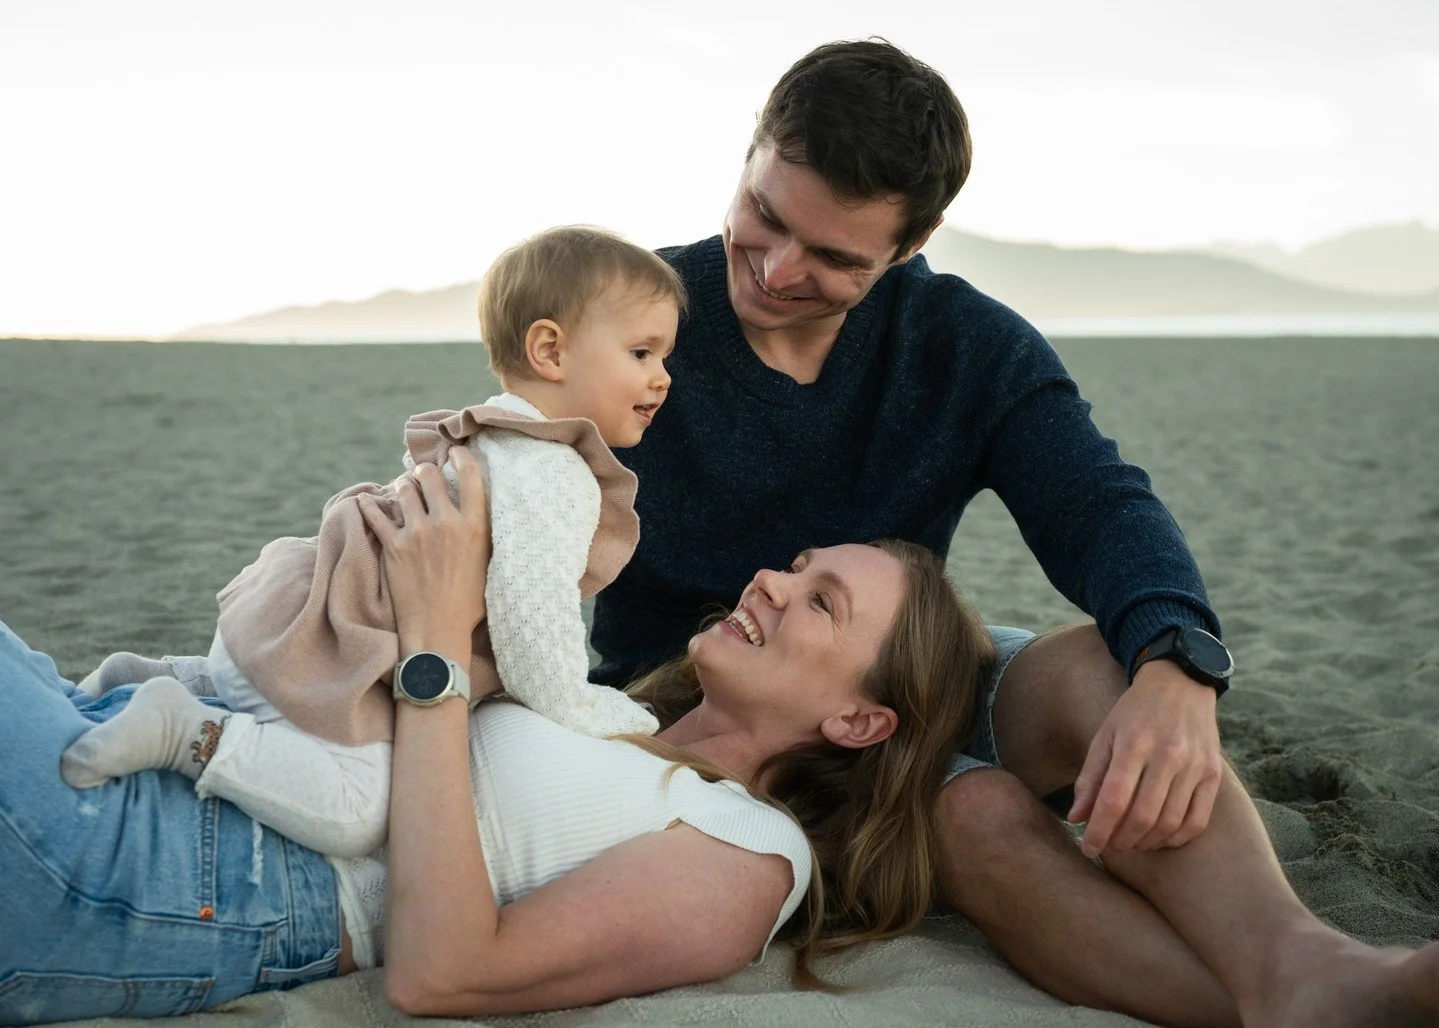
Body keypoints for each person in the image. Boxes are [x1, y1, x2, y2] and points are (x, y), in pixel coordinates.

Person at [586, 38, 1439, 1027]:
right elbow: (503, 524)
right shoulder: (630, 320)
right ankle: (1286, 1005)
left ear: (910, 244)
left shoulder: (962, 342)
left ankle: (1302, 960)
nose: (778, 270)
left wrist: (1177, 667)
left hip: (897, 670)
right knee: (971, 809)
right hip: (720, 711)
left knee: (1104, 667)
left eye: (832, 257)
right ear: (749, 157)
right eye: (764, 217)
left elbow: (1094, 499)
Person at [0, 447, 996, 1023]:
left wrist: (432, 645)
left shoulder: (749, 857)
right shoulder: (614, 714)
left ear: (860, 720)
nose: (772, 580)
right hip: (141, 743)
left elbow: (446, 971)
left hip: (183, 872)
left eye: (820, 601)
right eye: (796, 562)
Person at [59, 226, 675, 858]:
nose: (662, 379)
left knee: (275, 709)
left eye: (664, 358)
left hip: (285, 622)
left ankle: (150, 678)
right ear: (549, 350)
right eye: (641, 353)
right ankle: (181, 729)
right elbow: (532, 612)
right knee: (359, 814)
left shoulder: (492, 433)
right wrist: (583, 710)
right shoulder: (552, 471)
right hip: (333, 649)